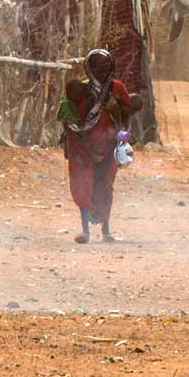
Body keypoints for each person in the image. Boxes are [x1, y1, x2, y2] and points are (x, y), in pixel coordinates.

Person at [58, 47, 132, 244]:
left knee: (105, 185)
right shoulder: (79, 89)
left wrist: (122, 137)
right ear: (90, 67)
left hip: (108, 147)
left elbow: (127, 114)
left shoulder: (117, 89)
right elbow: (68, 119)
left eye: (107, 66)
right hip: (82, 147)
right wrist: (81, 143)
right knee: (83, 185)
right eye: (98, 66)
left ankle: (106, 230)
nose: (103, 70)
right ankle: (85, 231)